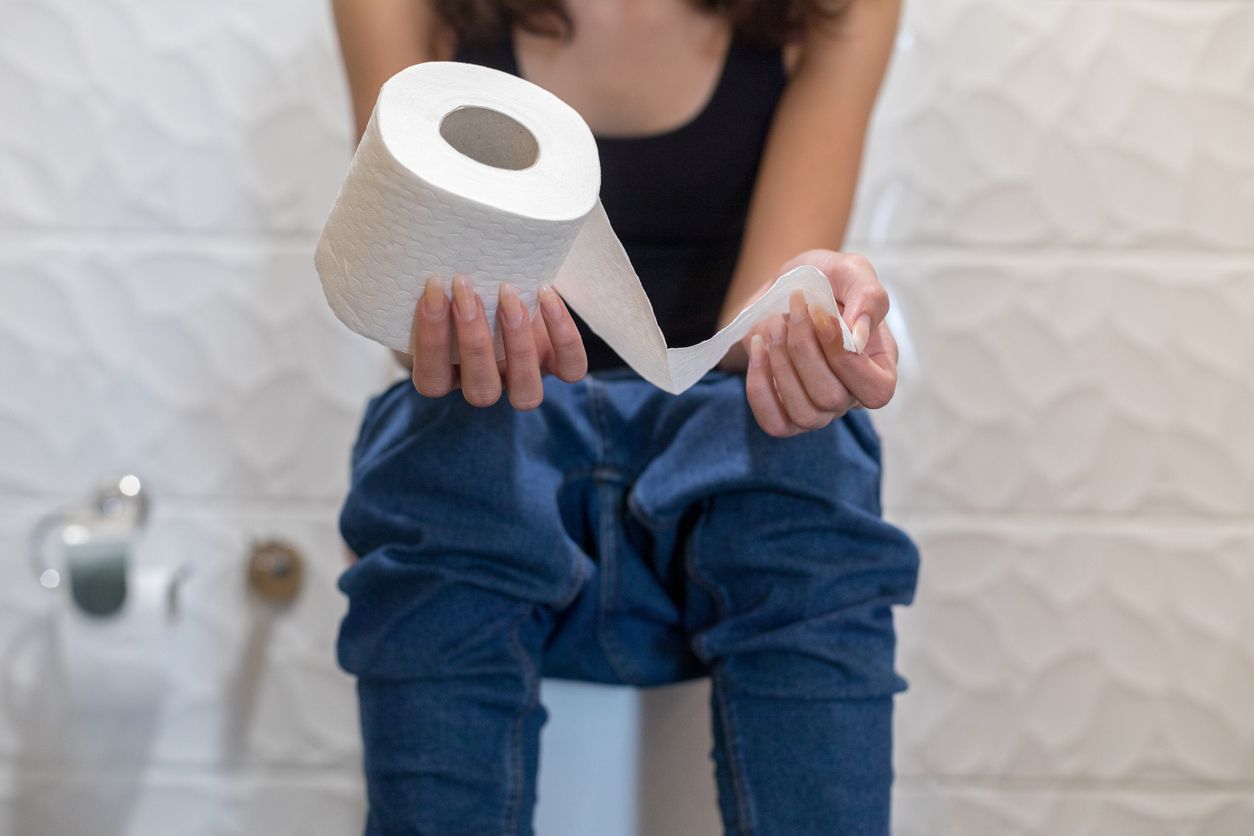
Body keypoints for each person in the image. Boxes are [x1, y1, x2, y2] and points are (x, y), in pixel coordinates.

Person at [329, 1, 920, 833]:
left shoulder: (841, 8)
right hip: (503, 452)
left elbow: (754, 335)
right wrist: (454, 335)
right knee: (445, 443)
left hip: (713, 475)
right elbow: (408, 275)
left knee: (808, 449)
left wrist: (810, 327)